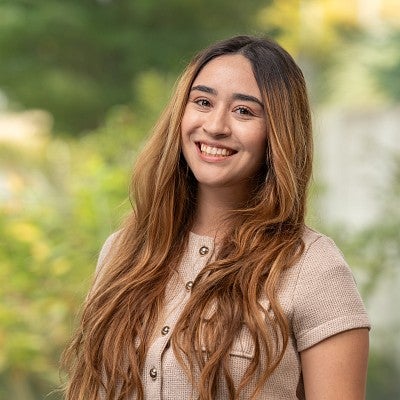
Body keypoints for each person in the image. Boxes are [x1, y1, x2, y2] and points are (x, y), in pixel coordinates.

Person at [62, 35, 370, 400]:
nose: (215, 125)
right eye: (203, 102)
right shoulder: (122, 253)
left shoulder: (315, 268)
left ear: (279, 133)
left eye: (244, 111)